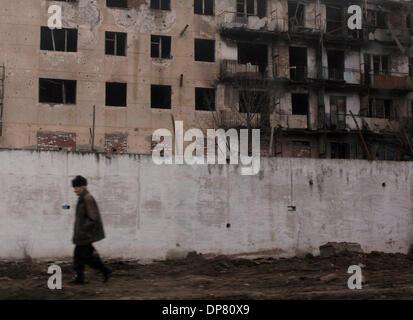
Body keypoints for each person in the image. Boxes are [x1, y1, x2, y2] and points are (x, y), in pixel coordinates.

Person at [71, 175, 111, 284]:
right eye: (74, 188)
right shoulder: (82, 198)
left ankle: (105, 270)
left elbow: (93, 218)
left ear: (83, 186)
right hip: (81, 236)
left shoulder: (87, 198)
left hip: (85, 236)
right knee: (78, 257)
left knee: (88, 258)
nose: (75, 190)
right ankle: (80, 278)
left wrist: (83, 229)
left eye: (76, 187)